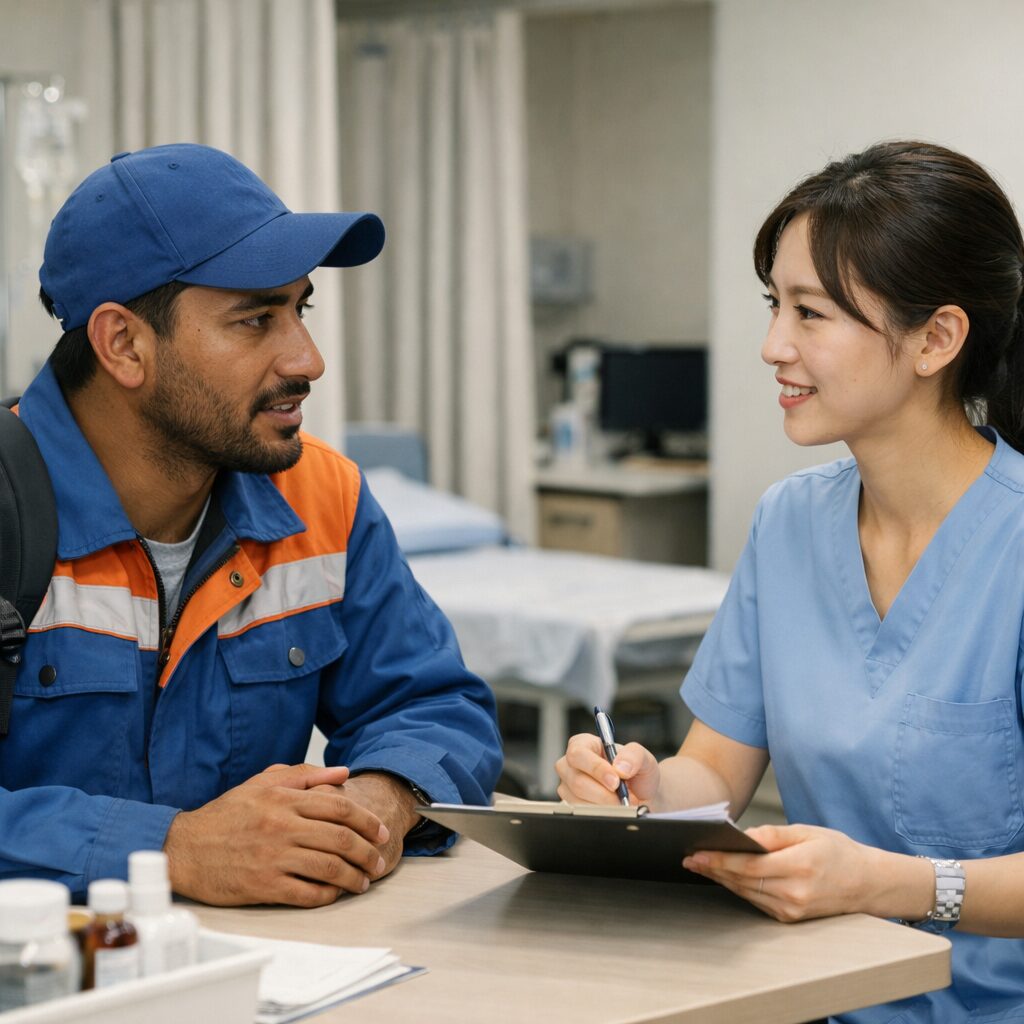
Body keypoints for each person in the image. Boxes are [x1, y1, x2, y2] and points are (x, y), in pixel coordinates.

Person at [556, 141, 1024, 1021]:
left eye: (812, 314)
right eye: (777, 306)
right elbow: (716, 774)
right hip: (806, 996)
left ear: (936, 338)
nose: (774, 345)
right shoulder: (789, 521)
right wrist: (644, 789)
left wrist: (896, 884)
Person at [0, 143, 502, 908]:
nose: (308, 359)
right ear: (124, 345)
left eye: (299, 309)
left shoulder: (321, 497)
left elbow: (433, 707)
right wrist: (171, 850)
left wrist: (372, 806)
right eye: (254, 319)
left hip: (267, 973)